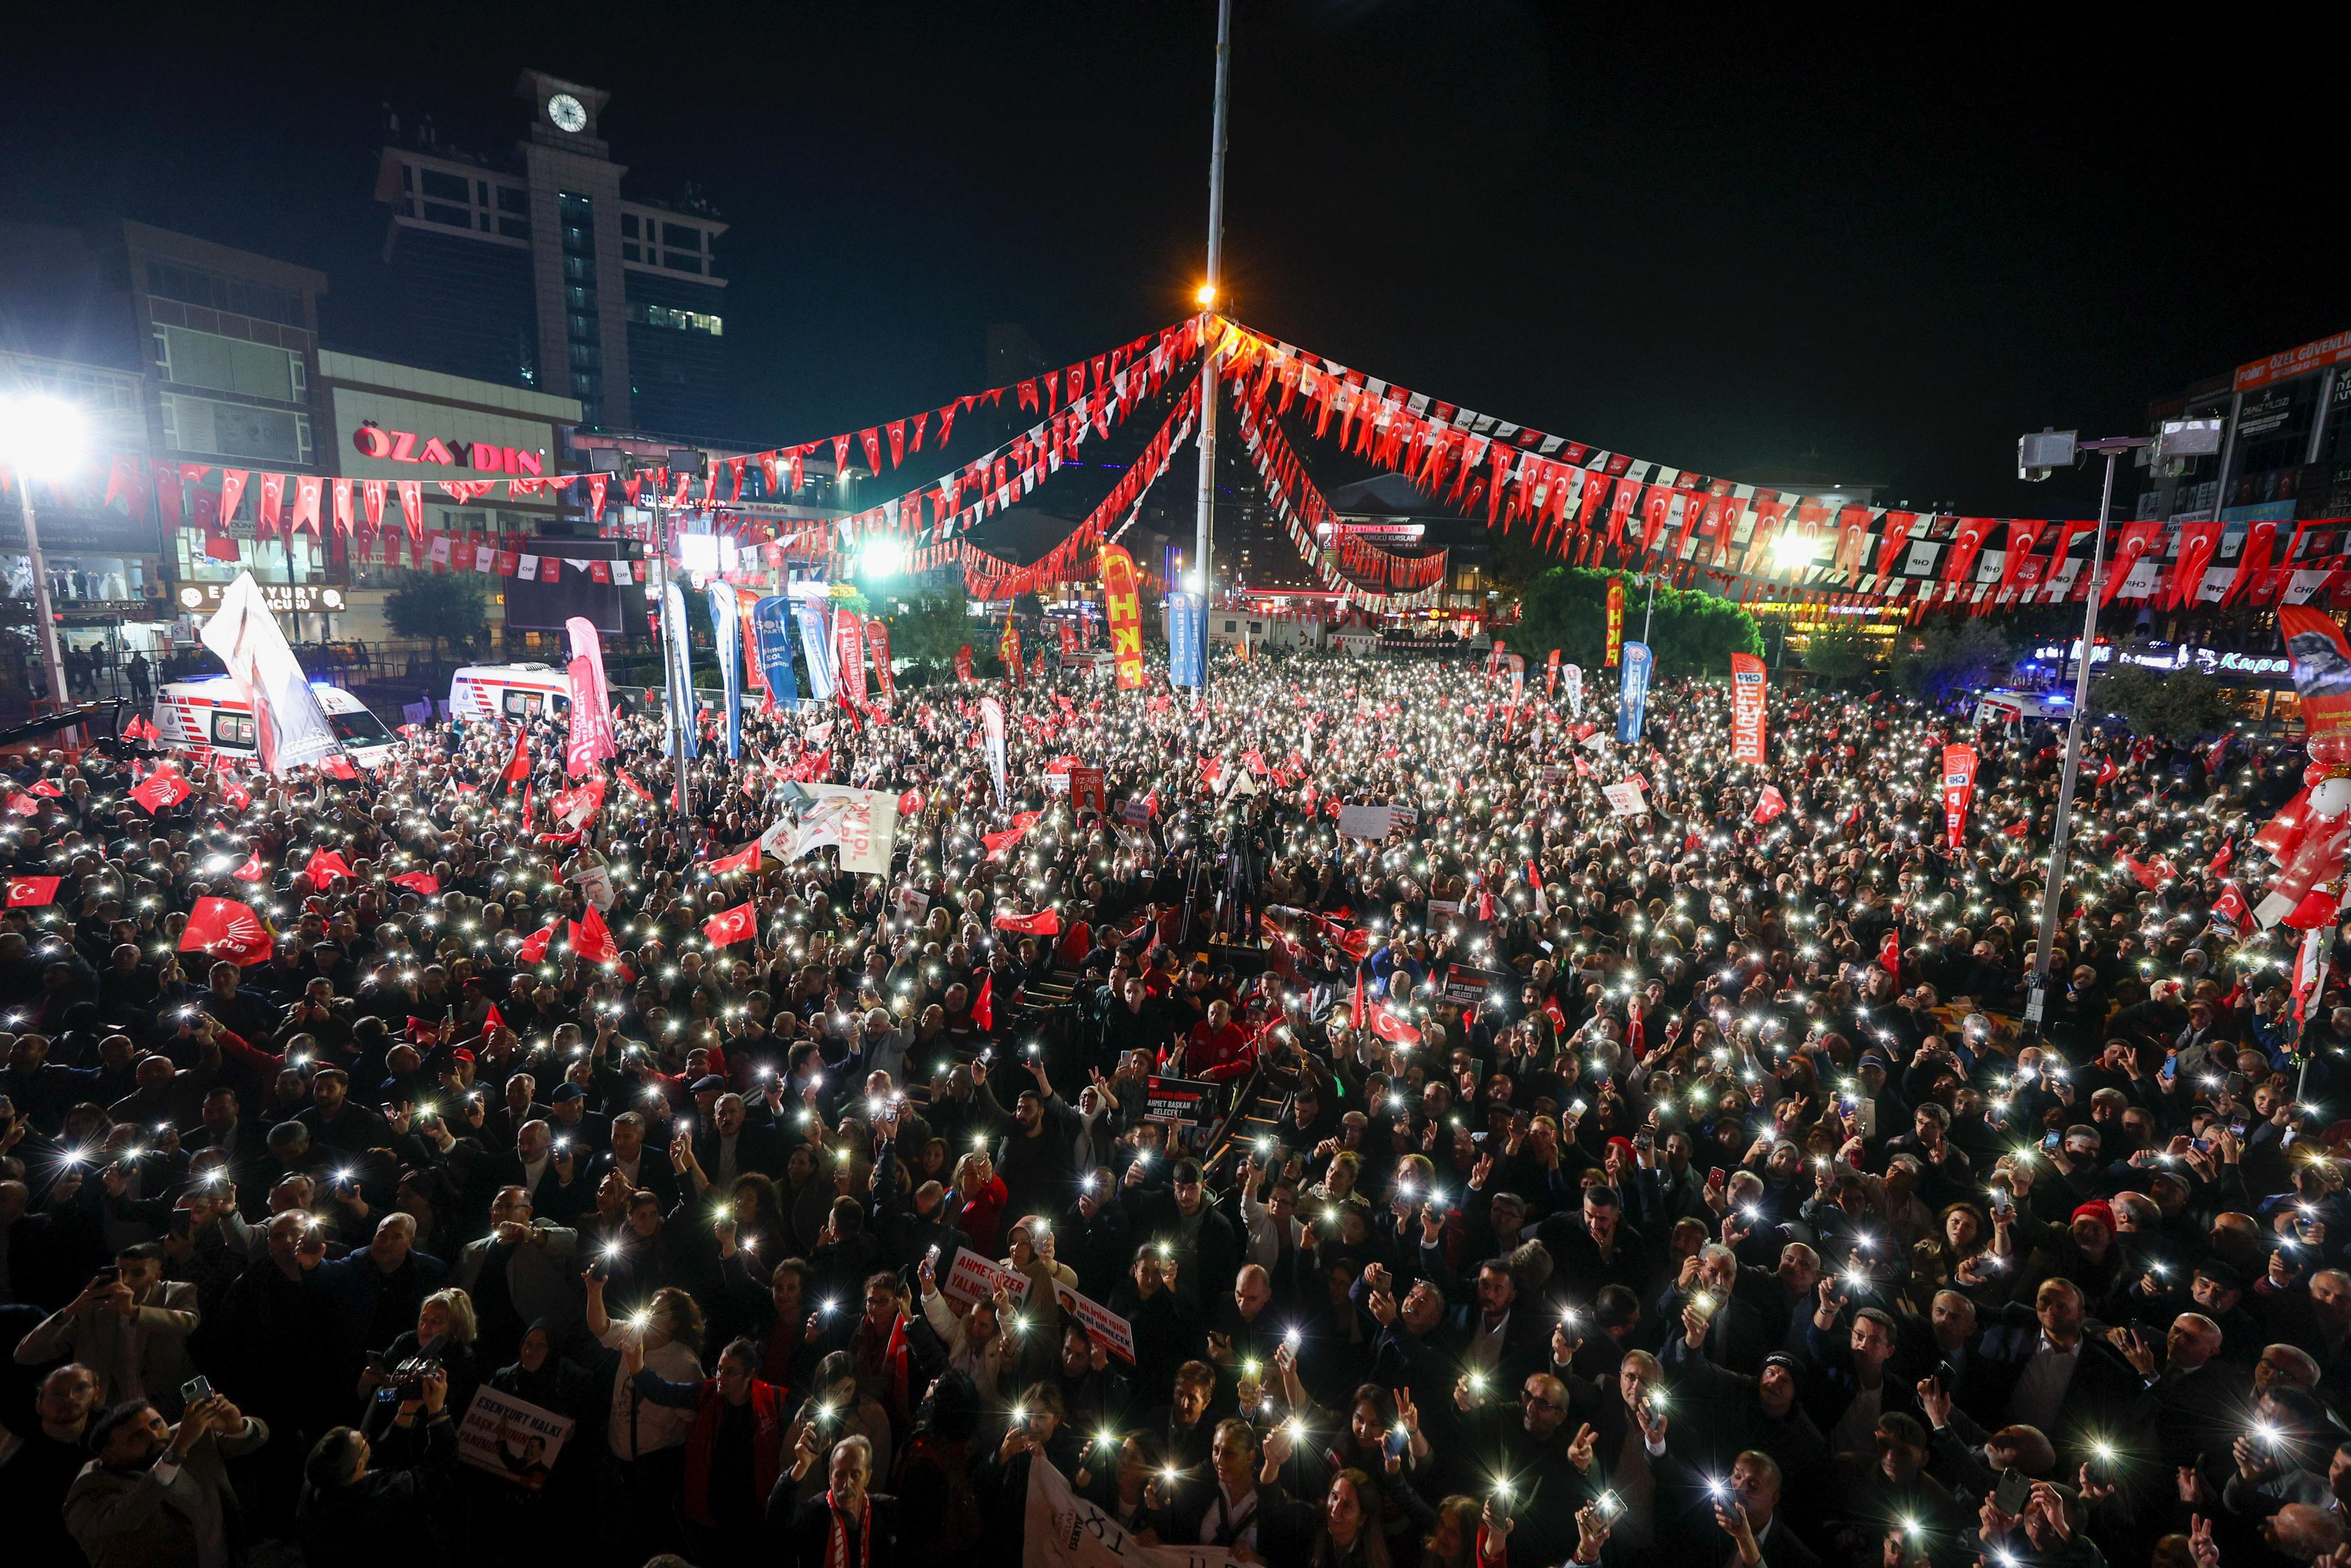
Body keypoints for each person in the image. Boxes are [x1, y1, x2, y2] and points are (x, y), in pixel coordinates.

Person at [64, 1391, 269, 1568]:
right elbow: (127, 1518)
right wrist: (177, 1450)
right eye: (137, 1436)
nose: (155, 1437)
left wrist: (236, 1425)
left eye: (156, 1424)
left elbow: (253, 1439)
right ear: (108, 1455)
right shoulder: (88, 1489)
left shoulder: (185, 1437)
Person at [295, 1367, 457, 1568]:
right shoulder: (382, 1499)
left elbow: (377, 1460)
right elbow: (438, 1470)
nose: (365, 1438)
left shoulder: (317, 1483)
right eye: (363, 1441)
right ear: (359, 1467)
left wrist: (406, 1411)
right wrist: (438, 1411)